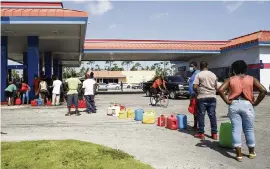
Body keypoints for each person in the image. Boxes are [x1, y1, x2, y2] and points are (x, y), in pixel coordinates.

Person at [218, 60, 267, 162]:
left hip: (234, 104)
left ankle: (239, 155)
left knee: (236, 130)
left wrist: (227, 101)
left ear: (234, 70)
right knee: (249, 129)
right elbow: (263, 91)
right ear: (245, 69)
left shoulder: (230, 79)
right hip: (247, 105)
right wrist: (256, 103)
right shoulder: (251, 79)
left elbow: (220, 90)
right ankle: (251, 153)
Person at [193, 61, 218, 140]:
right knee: (212, 115)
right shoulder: (213, 75)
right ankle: (214, 134)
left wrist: (198, 94)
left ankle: (201, 133)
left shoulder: (199, 75)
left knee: (201, 115)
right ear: (207, 66)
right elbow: (216, 86)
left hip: (202, 97)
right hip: (212, 97)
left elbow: (194, 87)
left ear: (200, 67)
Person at [188, 61, 200, 129]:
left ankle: (198, 126)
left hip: (195, 95)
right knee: (194, 110)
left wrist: (195, 94)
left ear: (195, 66)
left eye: (191, 66)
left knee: (197, 111)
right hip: (192, 95)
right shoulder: (193, 73)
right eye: (190, 66)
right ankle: (195, 125)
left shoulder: (197, 73)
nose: (190, 67)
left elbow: (198, 84)